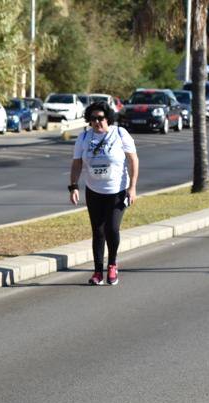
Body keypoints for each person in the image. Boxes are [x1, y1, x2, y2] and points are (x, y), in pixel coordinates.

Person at [68, 101, 139, 286]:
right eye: (93, 119)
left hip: (117, 191)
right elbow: (77, 163)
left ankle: (113, 264)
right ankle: (98, 271)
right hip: (94, 191)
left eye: (100, 118)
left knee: (112, 229)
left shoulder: (120, 134)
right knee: (97, 231)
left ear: (108, 118)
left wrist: (132, 187)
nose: (97, 122)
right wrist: (74, 186)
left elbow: (133, 161)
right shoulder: (84, 138)